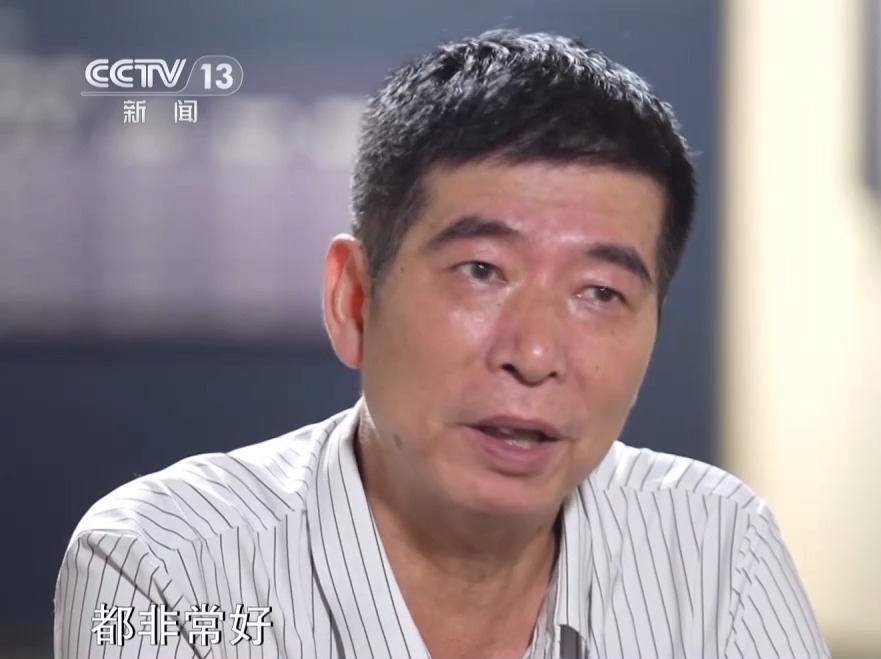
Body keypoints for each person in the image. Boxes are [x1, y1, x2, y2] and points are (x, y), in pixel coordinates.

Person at [54, 29, 829, 659]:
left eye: (600, 292)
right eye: (481, 271)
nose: (534, 354)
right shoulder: (168, 569)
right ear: (353, 299)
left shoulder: (719, 550)